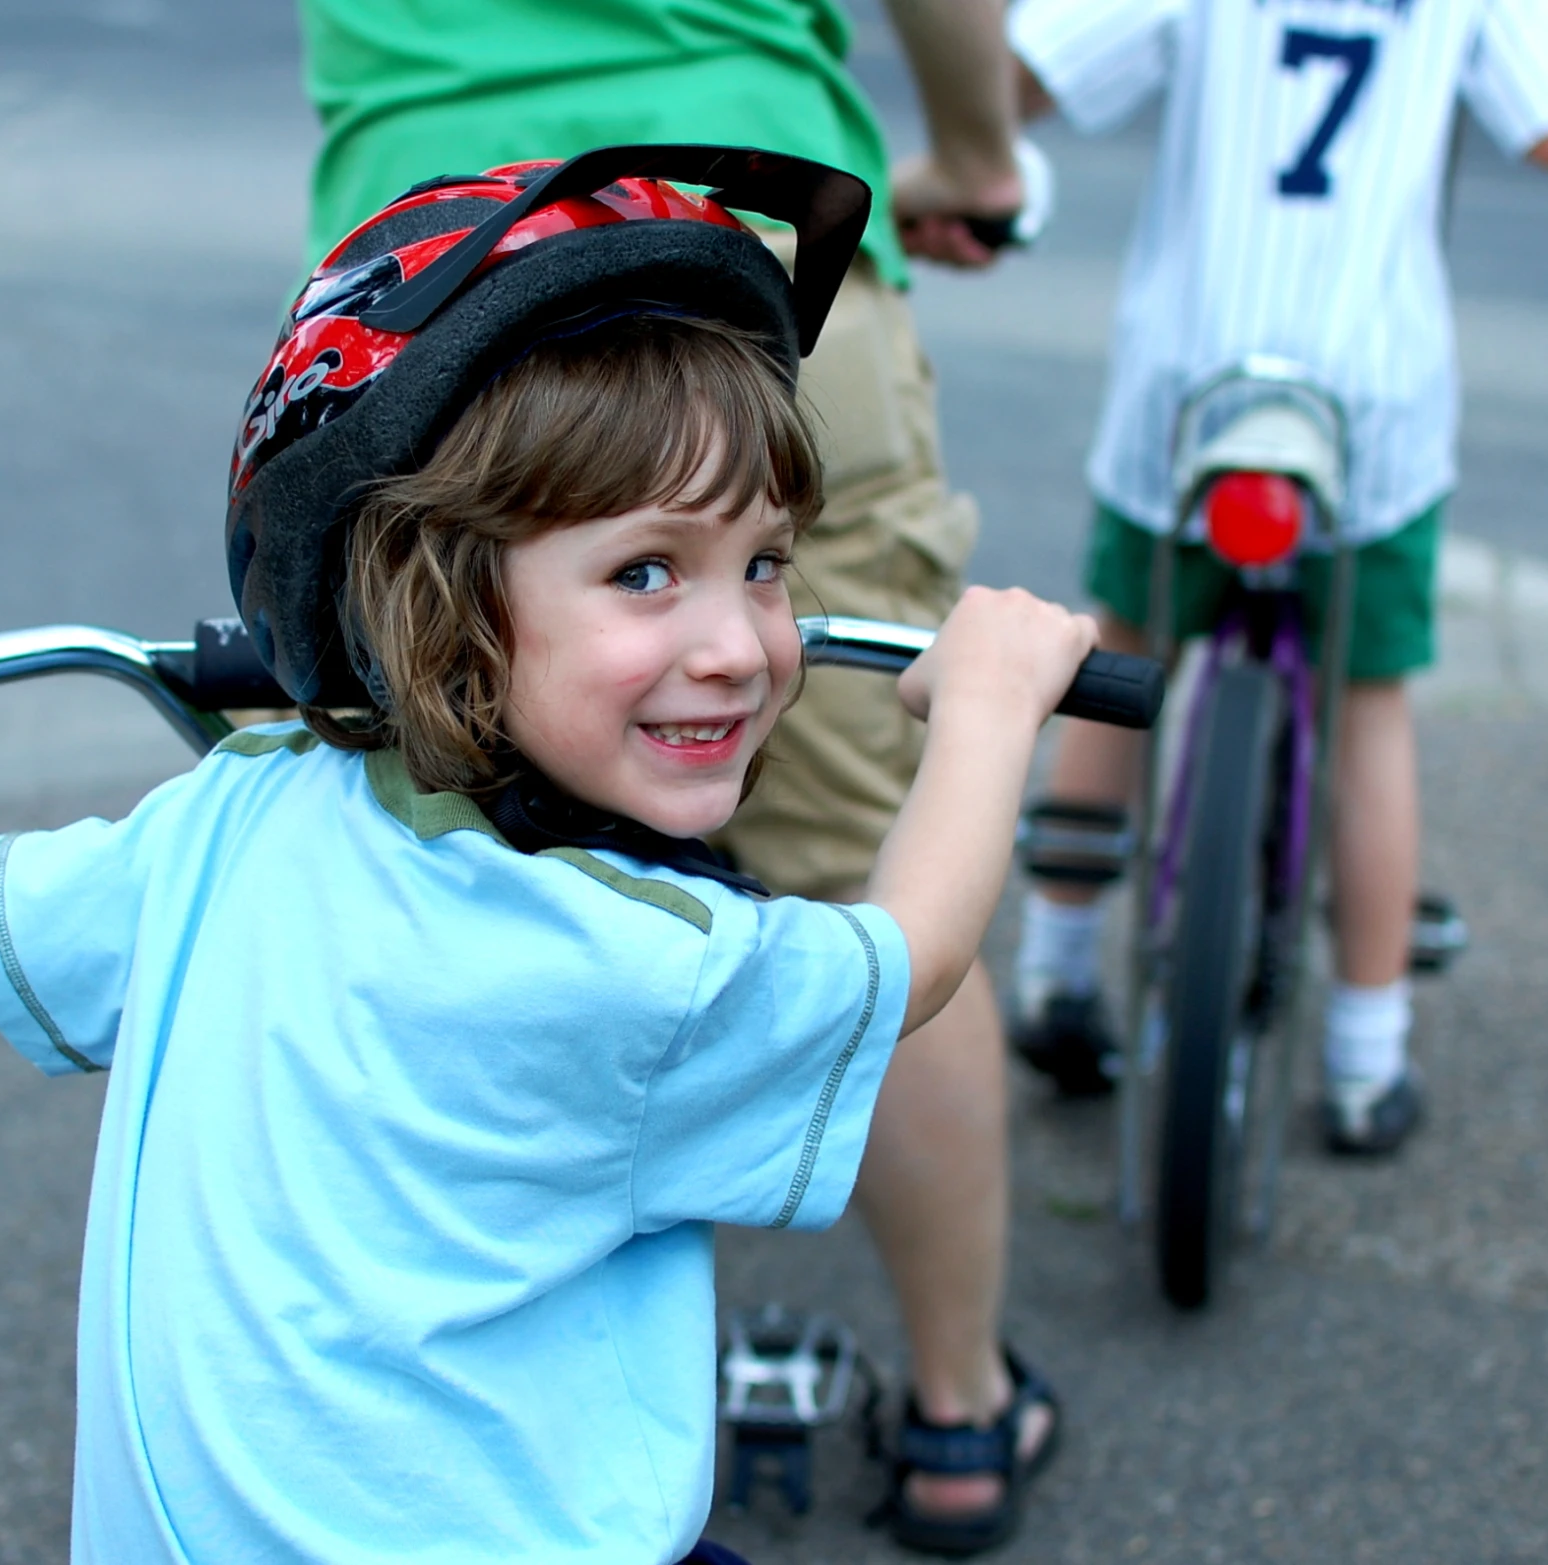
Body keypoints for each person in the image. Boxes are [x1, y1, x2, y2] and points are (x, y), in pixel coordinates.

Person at [0, 159, 1099, 1565]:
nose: (740, 643)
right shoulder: (633, 964)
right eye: (646, 571)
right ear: (437, 594)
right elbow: (911, 956)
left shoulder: (231, 817)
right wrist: (988, 714)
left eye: (763, 561)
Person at [297, 1, 1058, 1549]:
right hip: (745, 216)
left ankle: (423, 1387)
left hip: (420, 265)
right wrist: (975, 154)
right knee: (865, 866)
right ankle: (957, 1405)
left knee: (411, 849)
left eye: (759, 576)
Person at [1001, 0, 1548, 1151]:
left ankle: (1052, 971)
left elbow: (1024, 71)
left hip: (1190, 379)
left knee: (1121, 652)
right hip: (1367, 397)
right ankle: (1362, 1053)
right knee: (1365, 711)